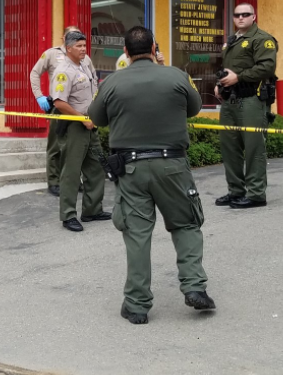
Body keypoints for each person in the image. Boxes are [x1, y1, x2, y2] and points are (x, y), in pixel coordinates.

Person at [88, 26, 214, 325]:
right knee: (185, 225)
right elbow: (194, 109)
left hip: (130, 169)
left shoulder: (112, 82)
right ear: (154, 48)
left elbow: (95, 118)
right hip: (172, 166)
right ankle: (194, 286)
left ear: (126, 53)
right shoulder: (176, 76)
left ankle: (136, 304)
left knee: (137, 235)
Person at [214, 3, 278, 210]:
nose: (241, 18)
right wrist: (219, 84)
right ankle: (236, 191)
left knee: (253, 148)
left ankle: (257, 194)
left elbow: (267, 67)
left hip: (252, 99)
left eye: (245, 14)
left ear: (253, 16)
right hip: (231, 100)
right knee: (229, 148)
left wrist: (238, 78)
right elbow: (227, 69)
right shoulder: (232, 41)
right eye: (237, 15)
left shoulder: (262, 39)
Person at [49, 30, 109, 232]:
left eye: (84, 45)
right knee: (72, 172)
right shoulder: (64, 71)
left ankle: (92, 210)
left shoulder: (83, 65)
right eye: (79, 46)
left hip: (91, 125)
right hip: (75, 126)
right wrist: (82, 119)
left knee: (96, 168)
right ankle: (68, 215)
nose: (84, 49)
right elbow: (59, 102)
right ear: (68, 48)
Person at [29, 26, 97, 196]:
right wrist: (39, 96)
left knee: (76, 147)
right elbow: (34, 73)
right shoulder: (51, 54)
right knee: (56, 146)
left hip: (80, 108)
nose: (79, 45)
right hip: (60, 105)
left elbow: (93, 78)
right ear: (64, 38)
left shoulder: (85, 58)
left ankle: (75, 179)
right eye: (71, 36)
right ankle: (53, 181)